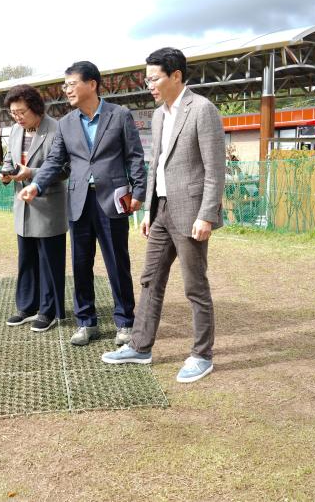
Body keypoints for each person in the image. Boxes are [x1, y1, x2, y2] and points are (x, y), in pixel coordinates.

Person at [101, 47, 226, 384]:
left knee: (194, 287)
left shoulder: (202, 110)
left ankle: (202, 355)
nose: (149, 85)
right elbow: (155, 164)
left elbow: (215, 170)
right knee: (149, 280)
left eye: (154, 78)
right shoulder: (159, 115)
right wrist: (148, 209)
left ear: (176, 76)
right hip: (161, 211)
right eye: (147, 79)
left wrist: (207, 215)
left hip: (191, 212)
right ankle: (140, 347)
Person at [21, 61, 146, 346]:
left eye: (71, 84)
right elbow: (55, 161)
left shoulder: (120, 115)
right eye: (64, 85)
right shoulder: (66, 123)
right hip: (78, 201)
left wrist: (139, 191)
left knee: (118, 263)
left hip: (112, 200)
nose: (67, 90)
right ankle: (85, 322)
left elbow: (135, 157)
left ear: (92, 84)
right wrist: (36, 184)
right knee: (80, 264)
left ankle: (125, 322)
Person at [0, 85, 70, 333]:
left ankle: (48, 310)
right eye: (13, 113)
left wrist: (32, 173)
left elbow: (64, 169)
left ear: (36, 107)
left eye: (21, 112)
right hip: (23, 205)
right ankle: (26, 307)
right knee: (26, 259)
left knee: (49, 261)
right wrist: (6, 173)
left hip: (48, 205)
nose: (17, 117)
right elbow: (10, 160)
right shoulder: (15, 131)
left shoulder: (57, 128)